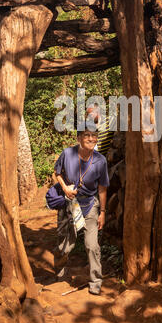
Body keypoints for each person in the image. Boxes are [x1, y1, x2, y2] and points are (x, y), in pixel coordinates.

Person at [51, 126, 109, 295]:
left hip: (91, 205)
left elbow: (103, 188)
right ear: (79, 138)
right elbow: (57, 173)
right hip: (69, 205)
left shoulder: (100, 160)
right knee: (65, 246)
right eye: (87, 136)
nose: (91, 139)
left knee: (92, 245)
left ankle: (96, 281)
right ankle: (60, 271)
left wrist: (103, 212)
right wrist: (65, 188)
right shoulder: (67, 154)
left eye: (94, 136)